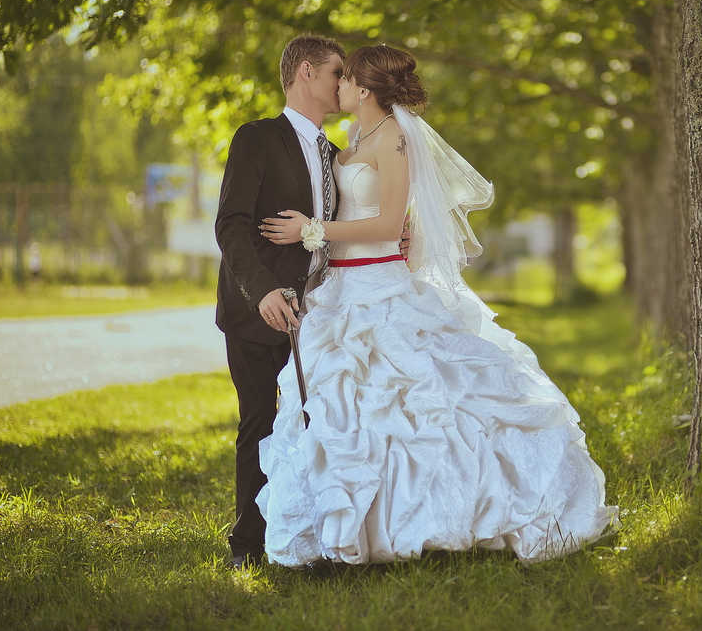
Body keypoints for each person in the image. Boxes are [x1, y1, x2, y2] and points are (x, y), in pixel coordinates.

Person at [256, 45, 618, 566]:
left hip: (380, 285)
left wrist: (310, 230)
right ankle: (341, 524)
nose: (336, 88)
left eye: (345, 79)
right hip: (341, 289)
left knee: (417, 404)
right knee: (343, 405)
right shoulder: (356, 137)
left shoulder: (397, 140)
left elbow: (385, 226)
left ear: (362, 87)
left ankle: (434, 519)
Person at [214, 34, 346, 569]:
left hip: (320, 316)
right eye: (338, 72)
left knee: (314, 426)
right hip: (256, 311)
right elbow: (231, 225)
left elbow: (336, 231)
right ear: (307, 72)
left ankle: (305, 537)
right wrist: (263, 290)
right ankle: (247, 546)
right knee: (260, 425)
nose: (345, 84)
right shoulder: (258, 139)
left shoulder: (338, 155)